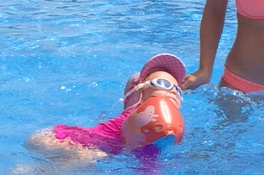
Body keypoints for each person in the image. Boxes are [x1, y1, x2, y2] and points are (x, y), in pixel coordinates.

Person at [27, 54, 186, 160]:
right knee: (91, 157)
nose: (172, 90)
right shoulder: (141, 114)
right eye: (163, 83)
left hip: (56, 139)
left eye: (177, 89)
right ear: (138, 92)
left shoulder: (161, 124)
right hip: (59, 139)